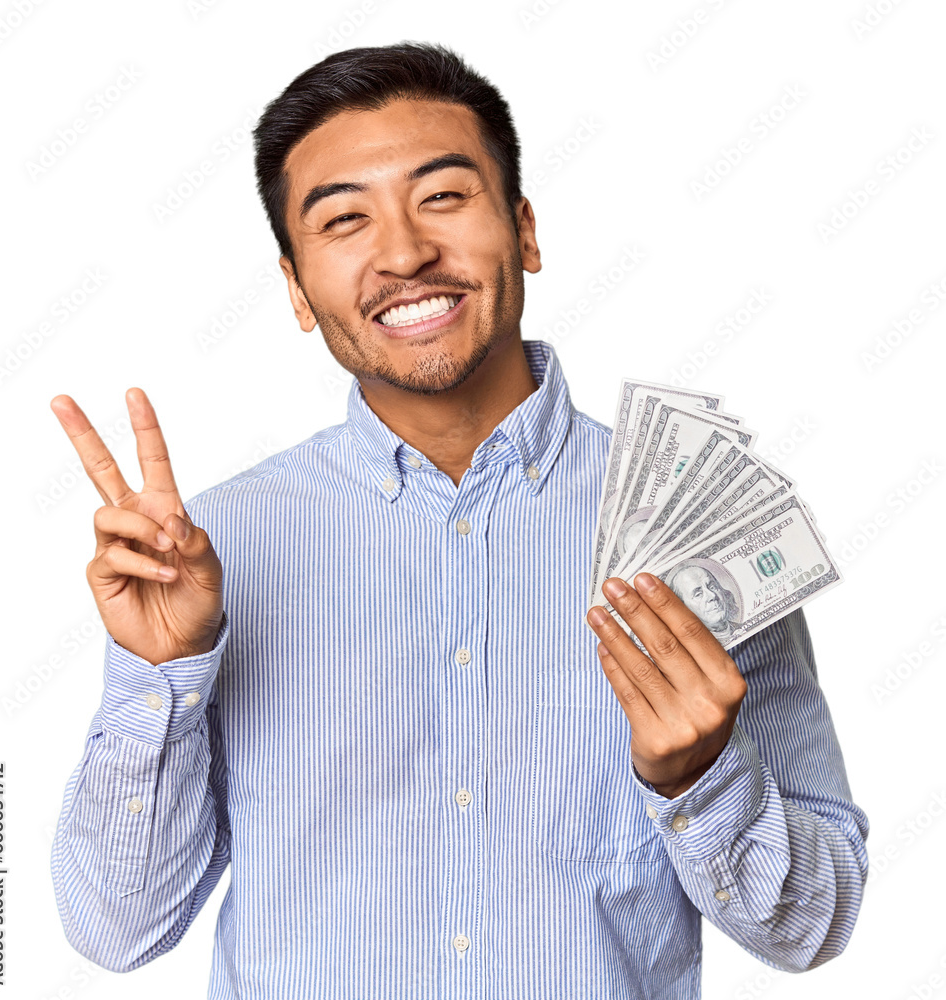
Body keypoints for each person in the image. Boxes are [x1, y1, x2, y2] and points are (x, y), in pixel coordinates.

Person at [49, 42, 868, 999]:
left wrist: (700, 777)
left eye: (442, 196)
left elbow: (816, 924)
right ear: (297, 288)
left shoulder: (695, 527)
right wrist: (161, 676)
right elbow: (116, 929)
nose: (403, 254)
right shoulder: (210, 554)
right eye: (344, 219)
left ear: (524, 230)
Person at [666, 561, 742, 645]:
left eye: (712, 587)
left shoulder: (741, 628)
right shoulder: (691, 646)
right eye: (698, 594)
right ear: (683, 607)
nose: (712, 595)